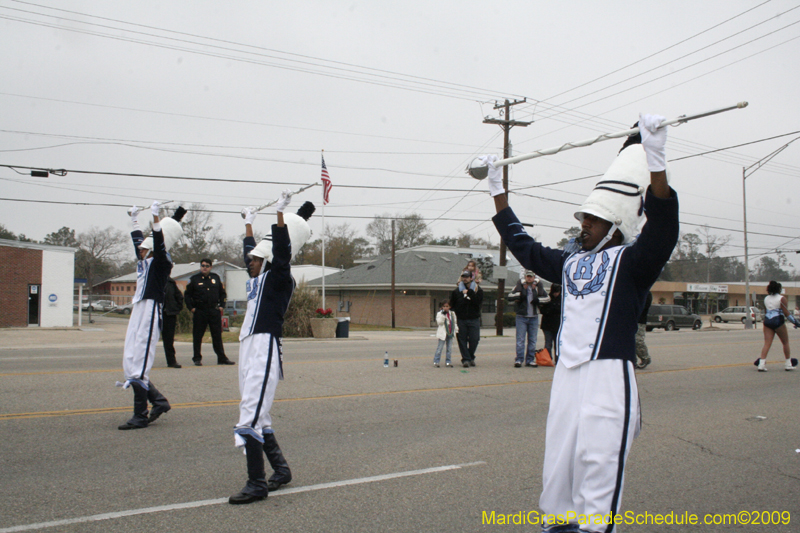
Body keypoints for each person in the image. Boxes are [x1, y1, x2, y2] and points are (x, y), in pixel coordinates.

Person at [485, 113, 679, 532]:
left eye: (592, 220)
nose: (583, 225)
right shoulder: (571, 261)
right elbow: (523, 246)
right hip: (567, 376)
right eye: (582, 218)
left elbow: (662, 229)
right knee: (558, 467)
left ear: (616, 227)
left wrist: (656, 157)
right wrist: (498, 193)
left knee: (599, 465)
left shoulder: (633, 262)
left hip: (609, 374)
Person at [228, 193, 315, 505]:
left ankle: (256, 483)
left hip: (265, 345)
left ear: (265, 260)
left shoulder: (280, 277)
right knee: (258, 416)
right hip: (248, 345)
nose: (248, 262)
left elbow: (281, 253)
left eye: (253, 260)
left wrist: (280, 216)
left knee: (249, 414)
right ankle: (280, 469)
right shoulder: (257, 278)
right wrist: (249, 224)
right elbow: (249, 253)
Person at [117, 202, 187, 430]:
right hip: (138, 308)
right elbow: (137, 239)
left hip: (150, 310)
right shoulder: (145, 259)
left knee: (139, 364)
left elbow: (158, 241)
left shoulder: (161, 262)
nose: (140, 250)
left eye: (145, 248)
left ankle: (140, 414)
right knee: (130, 362)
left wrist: (156, 218)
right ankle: (158, 401)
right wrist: (134, 218)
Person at [184, 258, 235, 366]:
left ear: (211, 267)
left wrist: (222, 305)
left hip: (213, 310)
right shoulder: (194, 279)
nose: (204, 268)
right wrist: (191, 308)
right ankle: (197, 358)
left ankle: (221, 358)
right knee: (198, 336)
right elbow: (187, 295)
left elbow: (222, 293)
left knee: (217, 335)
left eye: (207, 266)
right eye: (203, 265)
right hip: (200, 311)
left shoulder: (215, 278)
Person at [508, 271, 550, 367]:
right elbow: (510, 296)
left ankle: (530, 360)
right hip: (521, 317)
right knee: (520, 340)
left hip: (534, 317)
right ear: (525, 277)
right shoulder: (519, 286)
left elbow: (547, 298)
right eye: (528, 276)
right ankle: (519, 359)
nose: (529, 278)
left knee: (532, 340)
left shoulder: (538, 287)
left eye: (531, 277)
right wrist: (519, 295)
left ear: (534, 277)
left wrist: (538, 300)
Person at [757, 281, 795, 372]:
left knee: (767, 343)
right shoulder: (782, 298)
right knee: (785, 343)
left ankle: (761, 364)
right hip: (778, 321)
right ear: (779, 289)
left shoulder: (766, 298)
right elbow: (786, 313)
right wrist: (796, 322)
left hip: (767, 321)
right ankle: (788, 364)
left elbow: (766, 311)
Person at [451, 270, 483, 368]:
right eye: (463, 277)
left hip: (474, 319)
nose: (465, 278)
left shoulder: (478, 290)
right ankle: (466, 359)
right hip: (461, 319)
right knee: (462, 340)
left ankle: (470, 356)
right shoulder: (456, 291)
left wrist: (469, 293)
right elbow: (452, 305)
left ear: (471, 278)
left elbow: (478, 302)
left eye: (467, 277)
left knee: (474, 339)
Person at [161, 276, 184, 368]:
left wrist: (176, 308)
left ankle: (171, 361)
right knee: (148, 340)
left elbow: (179, 297)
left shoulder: (171, 282)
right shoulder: (153, 281)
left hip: (169, 314)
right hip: (155, 315)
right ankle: (143, 362)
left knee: (169, 339)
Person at [539, 283, 562, 363]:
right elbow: (542, 310)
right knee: (548, 343)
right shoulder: (547, 298)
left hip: (558, 325)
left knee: (557, 343)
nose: (556, 294)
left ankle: (558, 359)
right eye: (554, 292)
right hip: (547, 324)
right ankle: (547, 359)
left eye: (557, 292)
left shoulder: (563, 299)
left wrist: (552, 310)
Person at [433, 300, 458, 368]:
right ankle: (436, 361)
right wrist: (443, 315)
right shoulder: (440, 314)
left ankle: (448, 362)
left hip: (450, 333)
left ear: (449, 307)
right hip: (443, 334)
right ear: (442, 307)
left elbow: (454, 322)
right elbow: (439, 322)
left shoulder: (452, 314)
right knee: (440, 348)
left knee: (449, 349)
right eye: (444, 306)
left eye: (447, 306)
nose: (445, 308)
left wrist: (456, 330)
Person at [635, 291, 653, 369]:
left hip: (639, 321)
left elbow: (644, 306)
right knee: (628, 341)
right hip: (629, 320)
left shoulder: (647, 293)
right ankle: (632, 360)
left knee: (638, 340)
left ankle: (645, 358)